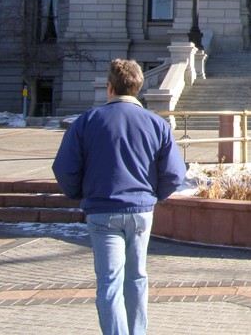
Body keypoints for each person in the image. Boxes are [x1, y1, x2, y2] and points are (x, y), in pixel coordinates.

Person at [53, 59, 186, 335]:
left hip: (102, 210)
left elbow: (64, 169)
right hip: (140, 211)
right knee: (136, 277)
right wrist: (153, 196)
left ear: (109, 88)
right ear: (138, 87)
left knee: (109, 282)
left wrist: (80, 194)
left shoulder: (86, 122)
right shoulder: (156, 123)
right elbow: (174, 173)